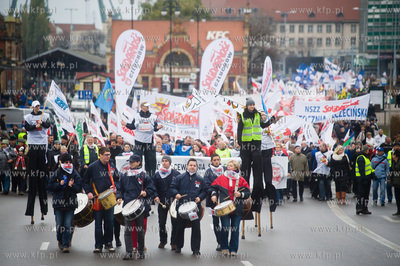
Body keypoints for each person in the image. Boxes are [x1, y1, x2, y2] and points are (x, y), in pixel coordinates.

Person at [237, 97, 276, 211]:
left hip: (256, 144)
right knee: (246, 168)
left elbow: (263, 126)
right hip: (246, 145)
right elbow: (239, 130)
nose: (252, 107)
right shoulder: (243, 116)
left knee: (258, 169)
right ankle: (245, 191)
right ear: (247, 106)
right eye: (250, 105)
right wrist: (239, 142)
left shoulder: (258, 115)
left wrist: (271, 121)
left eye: (253, 105)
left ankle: (258, 191)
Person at [116, 154, 156, 260]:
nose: (130, 163)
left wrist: (146, 192)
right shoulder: (125, 175)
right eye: (130, 162)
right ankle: (129, 252)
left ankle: (141, 251)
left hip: (140, 206)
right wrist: (118, 197)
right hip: (128, 206)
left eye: (133, 162)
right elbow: (119, 188)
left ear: (138, 163)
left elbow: (152, 189)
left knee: (140, 230)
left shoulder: (144, 175)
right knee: (127, 230)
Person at [211, 160, 250, 257]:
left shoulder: (241, 180)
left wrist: (241, 194)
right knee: (225, 227)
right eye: (228, 165)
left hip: (237, 208)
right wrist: (214, 195)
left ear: (236, 168)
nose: (228, 167)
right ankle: (224, 247)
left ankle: (233, 249)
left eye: (231, 166)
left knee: (235, 229)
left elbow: (248, 193)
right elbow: (212, 188)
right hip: (224, 208)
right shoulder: (221, 178)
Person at [83, 147, 119, 253]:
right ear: (101, 155)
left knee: (110, 222)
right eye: (106, 154)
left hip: (109, 198)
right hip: (97, 199)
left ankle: (109, 243)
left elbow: (118, 179)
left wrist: (115, 187)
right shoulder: (92, 167)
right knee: (98, 223)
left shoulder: (112, 166)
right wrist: (89, 192)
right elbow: (84, 180)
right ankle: (98, 245)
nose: (109, 156)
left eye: (109, 154)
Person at [170, 158, 207, 255]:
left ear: (196, 167)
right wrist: (176, 194)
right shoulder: (179, 178)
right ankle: (178, 246)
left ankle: (196, 249)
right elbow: (172, 187)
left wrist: (200, 197)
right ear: (187, 166)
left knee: (196, 228)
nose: (192, 167)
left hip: (194, 208)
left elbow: (205, 191)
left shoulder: (200, 179)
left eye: (194, 165)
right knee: (179, 227)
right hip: (181, 207)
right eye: (191, 165)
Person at [47, 154, 82, 253]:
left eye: (69, 162)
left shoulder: (74, 174)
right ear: (61, 163)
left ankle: (66, 244)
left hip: (70, 203)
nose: (68, 164)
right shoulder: (56, 173)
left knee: (68, 225)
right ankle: (60, 240)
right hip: (59, 203)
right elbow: (49, 187)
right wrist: (59, 184)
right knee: (59, 225)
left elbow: (79, 187)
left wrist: (72, 186)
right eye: (66, 162)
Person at [24, 100, 51, 224]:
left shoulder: (45, 115)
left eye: (39, 106)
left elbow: (48, 125)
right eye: (35, 106)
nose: (37, 108)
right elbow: (27, 127)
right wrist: (36, 125)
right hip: (32, 145)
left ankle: (43, 209)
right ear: (33, 107)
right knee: (33, 179)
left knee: (42, 181)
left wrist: (42, 123)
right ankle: (30, 211)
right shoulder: (28, 117)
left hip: (42, 145)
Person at [122, 101, 163, 177]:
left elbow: (155, 128)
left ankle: (151, 176)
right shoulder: (136, 116)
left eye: (148, 106)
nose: (147, 107)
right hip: (138, 140)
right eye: (145, 106)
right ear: (142, 107)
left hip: (149, 141)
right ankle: (136, 174)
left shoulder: (153, 116)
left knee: (151, 159)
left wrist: (157, 128)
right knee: (137, 158)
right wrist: (126, 124)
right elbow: (133, 126)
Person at [152, 155, 180, 250]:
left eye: (166, 161)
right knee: (162, 222)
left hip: (173, 201)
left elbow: (179, 187)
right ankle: (163, 240)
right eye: (163, 161)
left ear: (170, 162)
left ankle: (174, 242)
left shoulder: (176, 174)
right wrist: (155, 196)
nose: (164, 162)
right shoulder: (157, 174)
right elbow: (153, 187)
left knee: (175, 223)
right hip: (162, 201)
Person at [204, 154, 225, 251]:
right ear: (211, 161)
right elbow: (207, 185)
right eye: (214, 160)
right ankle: (220, 242)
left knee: (225, 223)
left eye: (218, 159)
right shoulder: (208, 172)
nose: (216, 161)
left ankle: (225, 242)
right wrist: (213, 193)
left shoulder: (225, 169)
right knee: (216, 223)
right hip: (213, 201)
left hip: (225, 200)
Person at [355, 145, 374, 215]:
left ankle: (365, 208)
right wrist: (364, 179)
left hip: (366, 179)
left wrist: (372, 175)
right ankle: (359, 208)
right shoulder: (361, 158)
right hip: (362, 179)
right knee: (361, 194)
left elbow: (368, 169)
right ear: (366, 150)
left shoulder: (366, 157)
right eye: (368, 150)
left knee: (366, 195)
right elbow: (361, 170)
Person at [260, 111, 275, 186]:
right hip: (259, 149)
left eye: (264, 115)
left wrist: (272, 133)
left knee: (268, 169)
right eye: (261, 115)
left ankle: (268, 185)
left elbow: (275, 132)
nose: (263, 116)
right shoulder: (257, 123)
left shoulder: (270, 125)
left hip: (268, 148)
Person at [390, 150, 400, 216]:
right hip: (396, 182)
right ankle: (398, 210)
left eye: (393, 155)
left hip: (398, 182)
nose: (392, 156)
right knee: (397, 197)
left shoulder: (398, 163)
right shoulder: (395, 162)